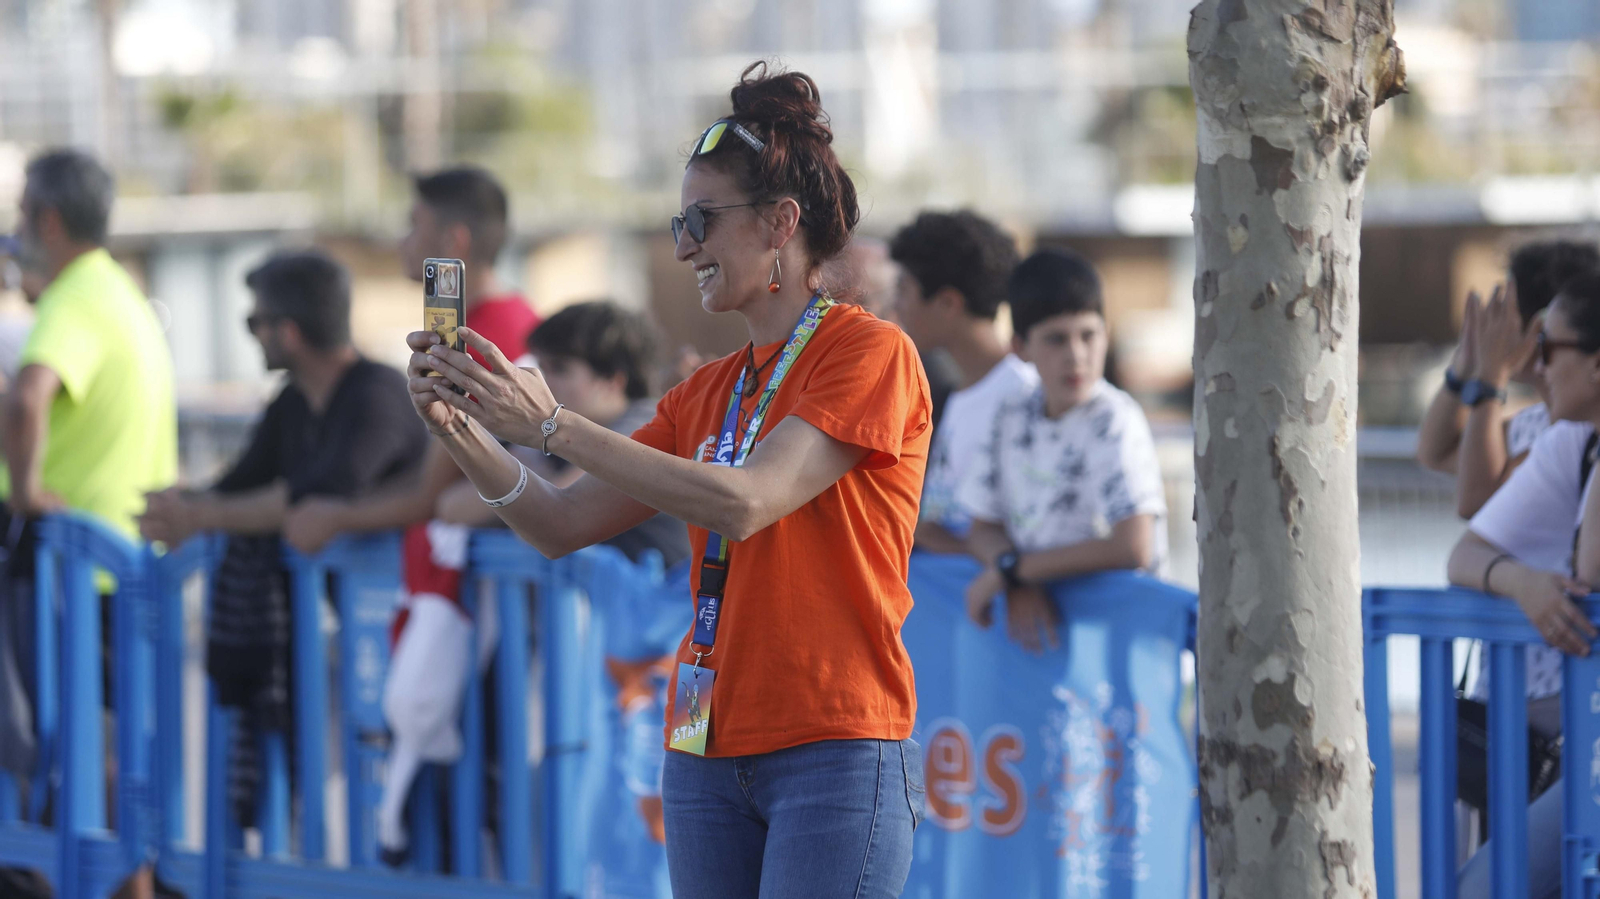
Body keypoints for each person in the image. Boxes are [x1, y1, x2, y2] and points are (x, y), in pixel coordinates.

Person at [405, 62, 929, 898]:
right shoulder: (707, 389)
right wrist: (465, 428)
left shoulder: (869, 351)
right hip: (700, 743)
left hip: (835, 744)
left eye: (701, 219)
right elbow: (559, 522)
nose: (683, 245)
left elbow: (747, 500)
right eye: (677, 219)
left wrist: (551, 424)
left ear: (780, 224)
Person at [373, 300, 690, 864]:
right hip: (622, 675)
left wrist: (532, 456)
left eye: (559, 369)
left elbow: (557, 501)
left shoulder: (644, 426)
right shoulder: (559, 439)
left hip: (676, 664)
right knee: (617, 821)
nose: (539, 384)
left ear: (613, 379)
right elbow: (464, 504)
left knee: (668, 817)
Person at [137, 250, 427, 827]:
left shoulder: (378, 394)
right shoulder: (294, 402)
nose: (252, 336)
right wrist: (181, 506)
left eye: (254, 322)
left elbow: (312, 500)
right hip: (368, 628)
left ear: (287, 332)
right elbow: (241, 484)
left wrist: (204, 516)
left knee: (418, 791)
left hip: (421, 623)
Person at [1446, 267, 1600, 899]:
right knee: (1485, 885)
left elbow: (1592, 572)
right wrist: (1523, 583)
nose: (1535, 367)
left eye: (1549, 348)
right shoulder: (1571, 445)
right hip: (1582, 747)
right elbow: (1463, 552)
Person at [957, 248, 1167, 654]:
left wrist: (1013, 573)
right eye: (1056, 339)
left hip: (1120, 640)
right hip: (1042, 637)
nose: (1076, 355)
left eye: (1088, 335)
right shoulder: (1012, 412)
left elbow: (1133, 546)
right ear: (1020, 346)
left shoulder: (1114, 419)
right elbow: (982, 527)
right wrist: (1012, 573)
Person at [5, 149, 177, 535]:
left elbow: (26, 401)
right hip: (119, 559)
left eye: (21, 213)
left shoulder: (76, 298)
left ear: (48, 221)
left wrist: (25, 495)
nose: (15, 231)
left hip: (72, 566)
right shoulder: (114, 289)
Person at [1417, 240, 1600, 518]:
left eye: (1506, 312)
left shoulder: (1581, 430)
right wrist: (1463, 367)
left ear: (1540, 326)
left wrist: (1491, 376)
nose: (1495, 325)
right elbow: (1436, 453)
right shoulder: (1536, 421)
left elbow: (1477, 503)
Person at [889, 210, 1032, 554]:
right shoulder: (961, 393)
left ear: (947, 303)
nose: (895, 307)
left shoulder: (1023, 396)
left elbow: (1029, 534)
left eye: (904, 290)